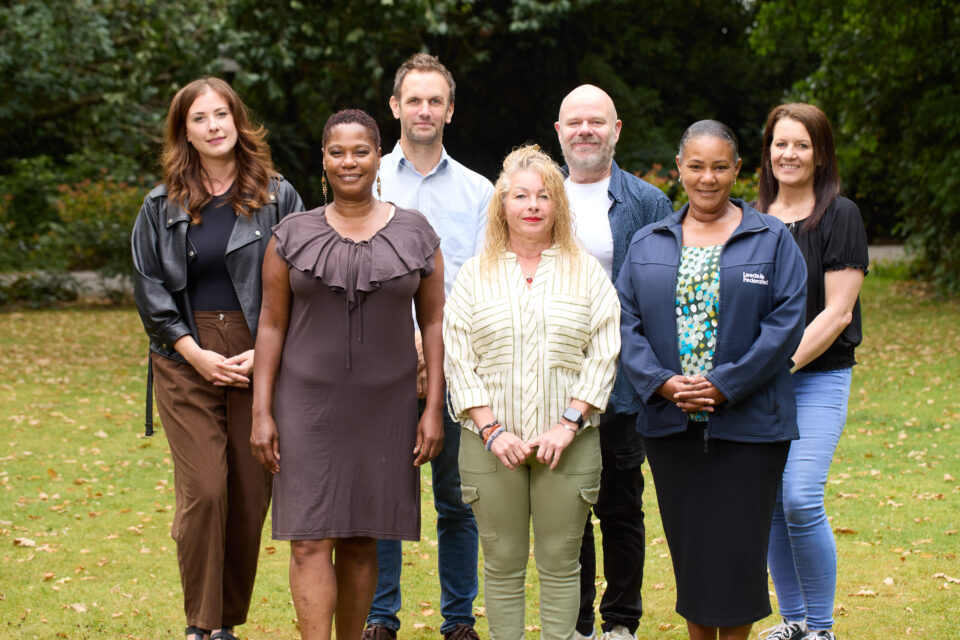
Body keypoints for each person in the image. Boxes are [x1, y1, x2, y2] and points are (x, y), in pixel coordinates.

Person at [249, 109, 445, 640]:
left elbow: (432, 320)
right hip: (307, 406)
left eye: (360, 150)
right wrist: (261, 411)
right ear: (323, 161)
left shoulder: (416, 232)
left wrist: (432, 409)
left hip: (388, 407)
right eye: (337, 151)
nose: (349, 161)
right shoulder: (291, 234)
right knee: (310, 538)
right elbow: (270, 325)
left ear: (377, 158)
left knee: (363, 537)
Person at [615, 120, 807, 640]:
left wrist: (726, 383)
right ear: (679, 170)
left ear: (737, 170)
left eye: (720, 166)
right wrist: (660, 381)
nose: (707, 178)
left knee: (739, 552)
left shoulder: (770, 239)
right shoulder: (647, 242)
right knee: (692, 551)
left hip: (750, 426)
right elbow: (623, 321)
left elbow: (786, 324)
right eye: (696, 166)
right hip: (670, 424)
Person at [131, 77, 304, 640]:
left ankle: (224, 622)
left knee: (249, 497)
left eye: (221, 114)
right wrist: (194, 353)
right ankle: (199, 625)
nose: (213, 126)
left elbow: (305, 281)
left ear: (238, 120)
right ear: (185, 131)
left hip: (259, 355)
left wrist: (265, 353)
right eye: (199, 118)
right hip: (186, 359)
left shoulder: (280, 196)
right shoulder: (161, 206)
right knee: (205, 490)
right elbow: (150, 289)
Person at [444, 145, 621, 640]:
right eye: (520, 195)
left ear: (558, 205)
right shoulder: (475, 275)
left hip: (568, 441)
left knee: (561, 561)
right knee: (501, 563)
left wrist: (568, 423)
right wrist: (493, 429)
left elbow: (604, 351)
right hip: (489, 444)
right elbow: (458, 359)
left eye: (544, 195)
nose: (532, 205)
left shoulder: (585, 271)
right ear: (502, 205)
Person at [363, 53, 493, 640]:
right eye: (412, 99)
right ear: (394, 107)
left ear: (450, 110)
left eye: (434, 100)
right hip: (376, 367)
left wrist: (432, 348)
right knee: (383, 500)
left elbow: (485, 280)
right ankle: (380, 617)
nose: (423, 109)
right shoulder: (366, 178)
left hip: (457, 365)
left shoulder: (479, 192)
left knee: (457, 500)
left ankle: (458, 620)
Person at [555, 84, 674, 640]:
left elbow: (663, 291)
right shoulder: (537, 194)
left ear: (616, 129)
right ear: (558, 132)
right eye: (574, 121)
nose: (585, 130)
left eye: (596, 122)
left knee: (620, 507)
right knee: (566, 511)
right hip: (551, 380)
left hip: (624, 383)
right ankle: (576, 624)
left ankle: (621, 623)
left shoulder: (648, 203)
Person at [755, 104, 868, 640]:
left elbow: (838, 311)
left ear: (820, 153)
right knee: (772, 500)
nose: (789, 154)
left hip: (819, 377)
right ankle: (793, 621)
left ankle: (821, 627)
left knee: (800, 495)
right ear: (767, 151)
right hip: (759, 383)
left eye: (801, 145)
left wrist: (779, 364)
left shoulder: (840, 215)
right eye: (780, 143)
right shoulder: (750, 217)